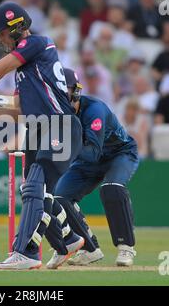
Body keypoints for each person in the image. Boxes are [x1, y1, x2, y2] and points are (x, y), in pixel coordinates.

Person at [0, 2, 84, 270]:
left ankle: (26, 253)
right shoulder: (27, 71)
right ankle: (67, 241)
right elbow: (18, 111)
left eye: (0, 33)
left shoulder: (38, 44)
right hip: (37, 128)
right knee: (34, 191)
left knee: (36, 185)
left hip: (60, 126)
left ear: (16, 28)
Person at [48, 68, 139, 267]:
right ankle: (89, 249)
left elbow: (92, 153)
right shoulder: (56, 114)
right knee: (59, 197)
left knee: (112, 187)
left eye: (66, 89)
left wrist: (61, 148)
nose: (62, 94)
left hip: (119, 154)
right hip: (86, 161)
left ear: (76, 91)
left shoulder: (94, 110)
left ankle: (126, 248)